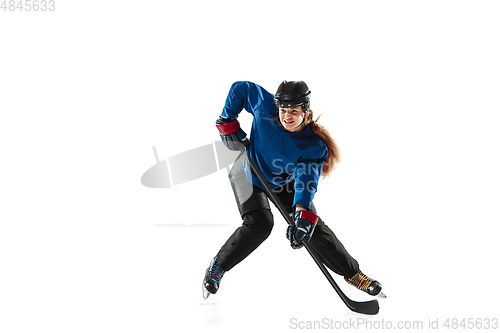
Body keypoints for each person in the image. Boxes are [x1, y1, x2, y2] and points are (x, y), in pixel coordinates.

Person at [203, 80, 383, 299]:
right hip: (248, 173)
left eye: (294, 111)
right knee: (260, 224)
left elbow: (306, 180)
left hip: (282, 181)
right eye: (283, 110)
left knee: (311, 228)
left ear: (305, 111)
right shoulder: (265, 107)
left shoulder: (313, 145)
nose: (286, 116)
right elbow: (241, 88)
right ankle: (217, 268)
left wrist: (302, 215)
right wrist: (227, 120)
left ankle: (354, 275)